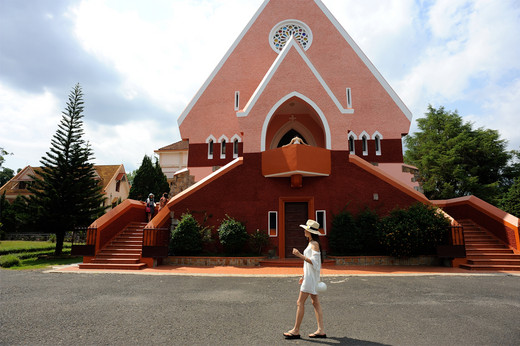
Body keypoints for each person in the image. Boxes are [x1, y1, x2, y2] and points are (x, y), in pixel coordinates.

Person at [284, 219, 326, 340]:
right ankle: (321, 330)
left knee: (300, 302)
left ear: (310, 232)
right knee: (315, 302)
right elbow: (311, 264)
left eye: (306, 229)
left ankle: (296, 330)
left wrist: (299, 255)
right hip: (309, 277)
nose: (304, 231)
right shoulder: (312, 242)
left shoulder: (314, 244)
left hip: (310, 278)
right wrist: (303, 275)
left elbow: (315, 263)